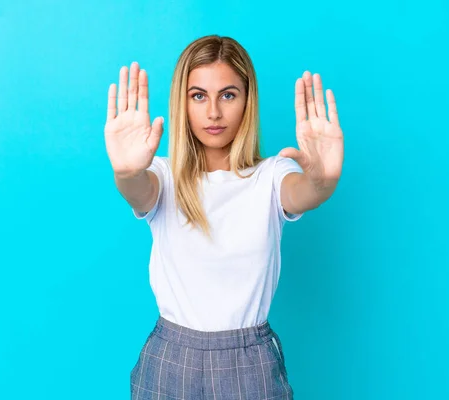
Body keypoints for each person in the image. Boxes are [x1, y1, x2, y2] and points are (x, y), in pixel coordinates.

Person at [104, 35, 344, 400]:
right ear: (181, 103)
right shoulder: (163, 177)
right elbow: (137, 188)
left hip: (250, 364)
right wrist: (125, 172)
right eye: (198, 95)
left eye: (228, 95)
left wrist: (322, 181)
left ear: (248, 101)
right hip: (171, 359)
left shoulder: (271, 175)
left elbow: (304, 193)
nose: (213, 112)